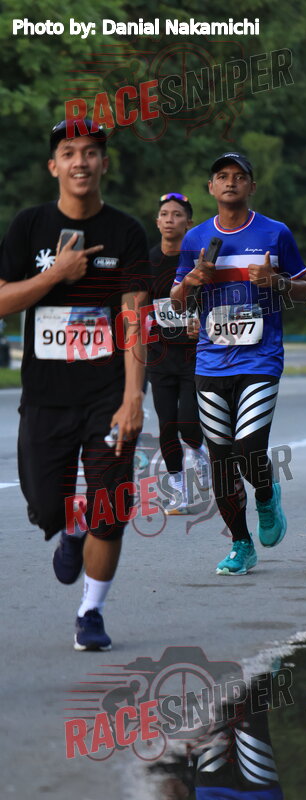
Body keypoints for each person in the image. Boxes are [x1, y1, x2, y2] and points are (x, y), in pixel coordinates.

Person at [0, 119, 149, 650]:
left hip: (108, 395)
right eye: (69, 152)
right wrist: (54, 275)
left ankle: (91, 612)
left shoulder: (127, 232)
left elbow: (134, 318)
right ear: (53, 166)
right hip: (46, 397)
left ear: (104, 163)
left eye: (90, 152)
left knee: (110, 509)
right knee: (46, 505)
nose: (80, 161)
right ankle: (68, 528)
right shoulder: (29, 226)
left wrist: (133, 398)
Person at [170, 152, 306, 575]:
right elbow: (178, 302)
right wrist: (191, 281)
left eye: (239, 176)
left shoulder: (276, 233)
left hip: (260, 359)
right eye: (222, 176)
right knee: (221, 458)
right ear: (211, 188)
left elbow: (305, 289)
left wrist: (277, 282)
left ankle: (266, 496)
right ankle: (241, 544)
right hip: (211, 363)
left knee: (249, 449)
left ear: (252, 185)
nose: (230, 182)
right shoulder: (196, 238)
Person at [147, 192, 209, 514]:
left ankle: (198, 452)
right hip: (159, 355)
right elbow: (137, 307)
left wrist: (203, 322)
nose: (170, 220)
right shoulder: (147, 261)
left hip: (193, 354)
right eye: (164, 214)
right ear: (157, 221)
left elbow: (214, 300)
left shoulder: (197, 261)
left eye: (177, 215)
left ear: (189, 223)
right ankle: (177, 490)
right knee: (166, 424)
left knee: (188, 421)